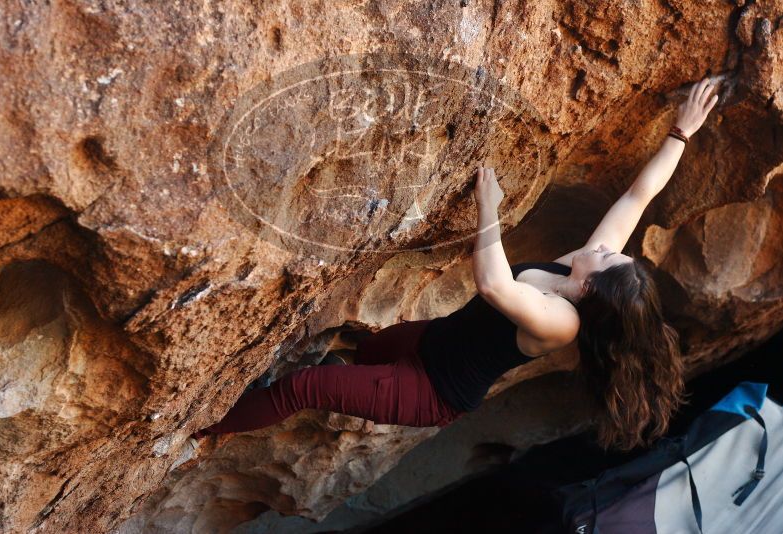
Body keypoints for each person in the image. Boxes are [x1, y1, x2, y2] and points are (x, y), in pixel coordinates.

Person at [190, 77, 719, 452]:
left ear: (589, 291)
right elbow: (634, 198)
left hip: (431, 392)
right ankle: (345, 371)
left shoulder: (563, 321)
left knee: (303, 389)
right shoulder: (581, 270)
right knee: (364, 347)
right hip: (430, 341)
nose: (605, 247)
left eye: (607, 257)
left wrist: (488, 210)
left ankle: (197, 432)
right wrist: (681, 134)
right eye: (611, 250)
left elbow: (493, 284)